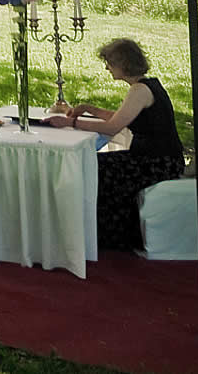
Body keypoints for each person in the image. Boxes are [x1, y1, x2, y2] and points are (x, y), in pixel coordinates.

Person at [44, 38, 185, 250]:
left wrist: (69, 122)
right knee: (93, 162)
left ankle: (110, 233)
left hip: (158, 163)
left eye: (110, 63)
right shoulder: (147, 85)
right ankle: (102, 230)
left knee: (94, 166)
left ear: (123, 64)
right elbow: (122, 117)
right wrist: (88, 109)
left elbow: (113, 127)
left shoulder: (140, 90)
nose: (107, 68)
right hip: (154, 158)